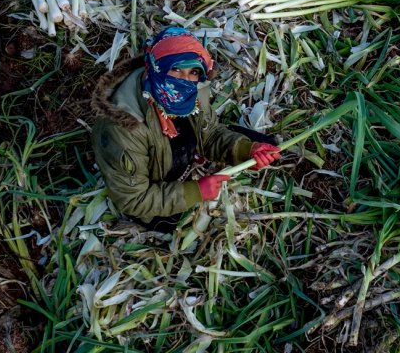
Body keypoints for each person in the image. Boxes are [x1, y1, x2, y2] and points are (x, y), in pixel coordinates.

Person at [91, 26, 281, 230]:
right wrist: (195, 192)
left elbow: (209, 134)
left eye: (193, 72)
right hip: (154, 182)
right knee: (171, 225)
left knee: (264, 145)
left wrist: (246, 152)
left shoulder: (194, 89)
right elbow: (134, 200)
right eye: (175, 69)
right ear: (155, 67)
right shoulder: (124, 130)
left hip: (176, 151)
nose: (184, 80)